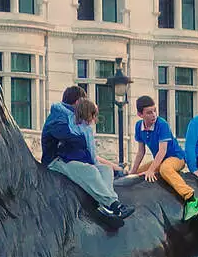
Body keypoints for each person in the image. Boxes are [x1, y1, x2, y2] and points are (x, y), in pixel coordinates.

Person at [41, 86, 134, 224]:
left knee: (105, 170)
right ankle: (114, 206)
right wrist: (82, 136)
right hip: (57, 160)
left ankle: (107, 205)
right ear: (78, 102)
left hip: (70, 158)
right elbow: (65, 137)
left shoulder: (75, 118)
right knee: (89, 171)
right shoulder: (59, 116)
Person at [130, 96, 198, 221]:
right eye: (149, 112)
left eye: (154, 111)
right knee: (136, 174)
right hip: (160, 159)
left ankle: (191, 199)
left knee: (165, 169)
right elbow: (140, 152)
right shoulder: (138, 126)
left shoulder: (162, 124)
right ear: (140, 114)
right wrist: (132, 172)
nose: (153, 115)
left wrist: (152, 170)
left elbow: (162, 151)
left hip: (176, 157)